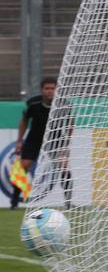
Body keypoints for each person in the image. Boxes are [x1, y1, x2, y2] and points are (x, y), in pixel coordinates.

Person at [11, 77, 56, 209]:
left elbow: (70, 123)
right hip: (34, 139)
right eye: (47, 88)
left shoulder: (63, 104)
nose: (50, 91)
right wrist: (19, 141)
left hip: (55, 138)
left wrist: (67, 144)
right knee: (23, 166)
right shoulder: (33, 103)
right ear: (42, 90)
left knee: (64, 166)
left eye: (52, 88)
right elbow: (24, 121)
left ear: (57, 89)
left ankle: (69, 203)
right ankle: (14, 202)